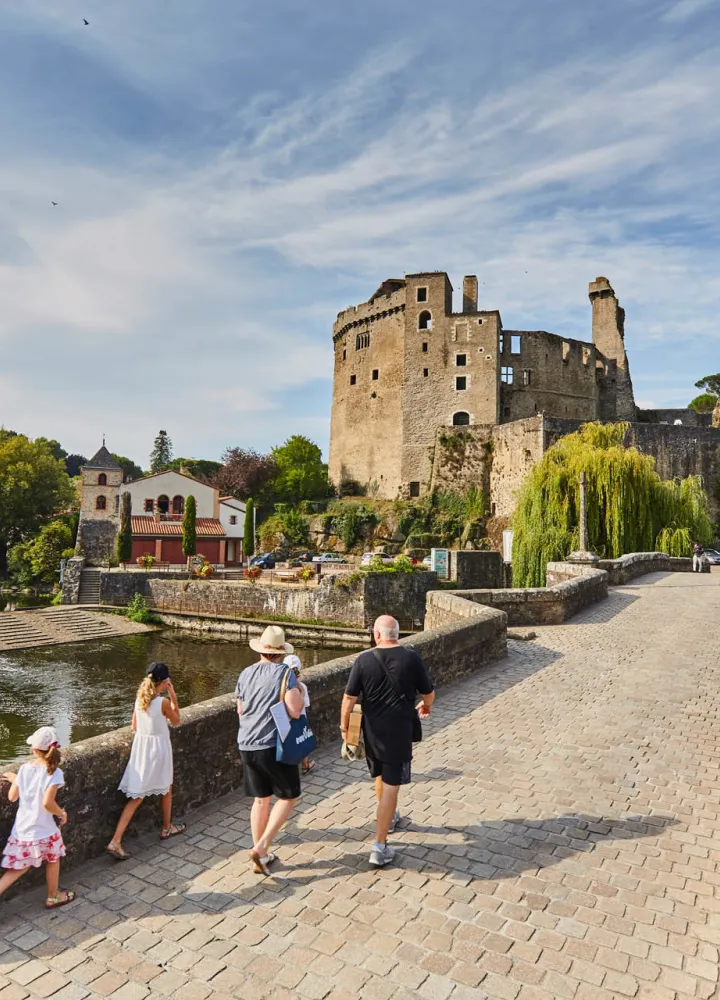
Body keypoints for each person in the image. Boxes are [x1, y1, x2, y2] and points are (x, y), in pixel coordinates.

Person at [341, 615, 435, 868]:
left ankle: (389, 816)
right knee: (392, 787)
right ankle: (379, 847)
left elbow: (349, 699)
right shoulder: (411, 658)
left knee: (379, 776)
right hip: (399, 731)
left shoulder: (363, 660)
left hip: (372, 732)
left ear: (376, 634)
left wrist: (344, 728)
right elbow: (429, 692)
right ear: (398, 634)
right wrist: (426, 706)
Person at [236, 626, 305, 875]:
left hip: (246, 743)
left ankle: (261, 854)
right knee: (288, 796)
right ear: (280, 652)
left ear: (262, 650)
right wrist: (297, 689)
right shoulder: (285, 673)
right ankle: (262, 847)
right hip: (272, 744)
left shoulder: (245, 673)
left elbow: (240, 709)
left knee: (260, 798)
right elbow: (295, 710)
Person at [106, 662, 184, 860]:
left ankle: (116, 839)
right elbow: (177, 721)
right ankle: (166, 828)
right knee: (166, 788)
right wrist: (173, 695)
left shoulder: (140, 699)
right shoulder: (162, 703)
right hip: (159, 749)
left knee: (137, 797)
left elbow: (134, 725)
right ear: (165, 681)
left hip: (141, 750)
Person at [0, 726, 75, 909]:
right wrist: (62, 813)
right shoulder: (54, 772)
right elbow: (48, 803)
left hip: (23, 830)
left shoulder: (24, 769)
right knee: (53, 858)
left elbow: (12, 797)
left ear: (34, 750)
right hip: (44, 829)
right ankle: (53, 896)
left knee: (16, 869)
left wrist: (16, 779)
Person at [284, 654, 314, 775]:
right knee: (303, 741)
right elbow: (306, 704)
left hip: (286, 719)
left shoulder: (282, 686)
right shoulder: (302, 687)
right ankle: (305, 766)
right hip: (300, 717)